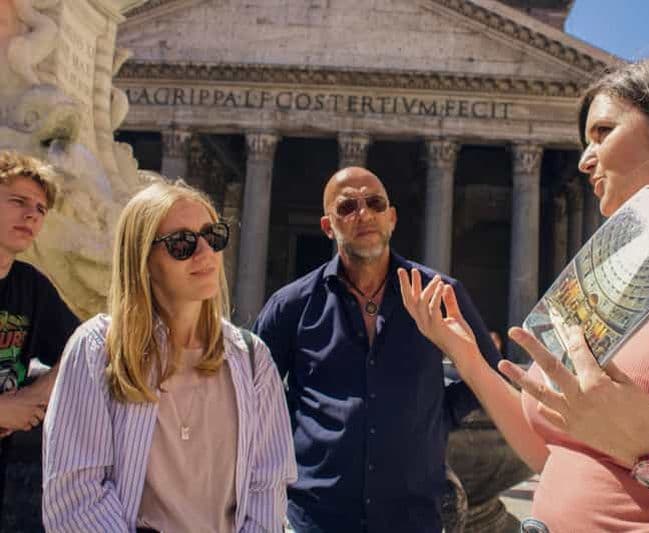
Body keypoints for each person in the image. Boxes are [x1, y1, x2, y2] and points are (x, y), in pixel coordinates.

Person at [398, 53, 649, 532]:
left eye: (603, 133)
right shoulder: (610, 281)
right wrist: (466, 356)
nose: (585, 159)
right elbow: (553, 451)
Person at [252, 166, 502, 532]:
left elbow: (490, 368)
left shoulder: (439, 293)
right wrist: (305, 430)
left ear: (392, 217)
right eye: (347, 207)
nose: (363, 214)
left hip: (412, 514)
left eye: (374, 203)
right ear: (328, 226)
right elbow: (254, 390)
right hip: (317, 516)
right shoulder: (291, 305)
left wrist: (442, 414)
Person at [42, 179, 296, 532]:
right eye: (182, 244)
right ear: (142, 259)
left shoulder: (253, 358)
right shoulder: (97, 349)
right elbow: (76, 496)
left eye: (213, 235)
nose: (205, 253)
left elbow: (266, 487)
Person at [0, 151, 79, 532]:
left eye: (40, 208)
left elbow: (83, 349)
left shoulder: (30, 286)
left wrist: (32, 398)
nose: (31, 214)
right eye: (17, 201)